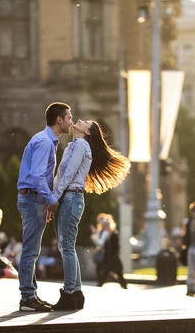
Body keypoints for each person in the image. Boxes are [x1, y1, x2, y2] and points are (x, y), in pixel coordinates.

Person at [51, 120, 130, 310]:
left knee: (67, 247)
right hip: (67, 198)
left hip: (70, 198)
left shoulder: (80, 145)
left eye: (84, 122)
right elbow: (60, 175)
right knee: (66, 247)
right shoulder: (73, 145)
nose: (78, 121)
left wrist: (53, 198)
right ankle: (76, 292)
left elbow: (68, 175)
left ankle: (70, 292)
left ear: (87, 131)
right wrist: (51, 198)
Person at [17, 102, 73, 312]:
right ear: (59, 120)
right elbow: (38, 177)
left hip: (34, 200)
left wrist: (45, 201)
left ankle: (30, 295)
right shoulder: (44, 142)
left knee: (32, 250)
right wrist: (52, 200)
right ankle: (27, 298)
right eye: (69, 117)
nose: (71, 121)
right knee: (30, 251)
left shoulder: (47, 140)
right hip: (32, 199)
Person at [91, 214, 128, 290]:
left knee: (118, 273)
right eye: (105, 226)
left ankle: (124, 286)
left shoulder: (113, 234)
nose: (106, 227)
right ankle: (100, 285)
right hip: (108, 257)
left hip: (113, 257)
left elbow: (116, 246)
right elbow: (101, 243)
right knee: (105, 273)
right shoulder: (106, 234)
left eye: (107, 225)